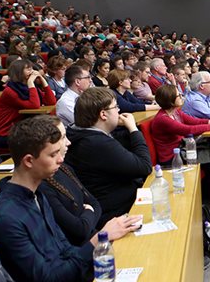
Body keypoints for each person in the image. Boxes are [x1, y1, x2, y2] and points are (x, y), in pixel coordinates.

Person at [0, 116, 98, 282]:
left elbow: (65, 250)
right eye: (53, 154)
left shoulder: (38, 194)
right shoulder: (5, 218)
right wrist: (96, 243)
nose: (61, 159)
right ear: (29, 160)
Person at [39, 117, 141, 246]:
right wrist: (88, 211)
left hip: (96, 237)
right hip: (87, 248)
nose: (68, 142)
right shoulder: (44, 187)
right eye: (63, 137)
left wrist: (87, 212)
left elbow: (95, 203)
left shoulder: (64, 169)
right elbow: (80, 230)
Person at [66, 87, 153, 227]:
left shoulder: (82, 133)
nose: (118, 111)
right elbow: (144, 166)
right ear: (103, 114)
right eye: (115, 107)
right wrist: (133, 129)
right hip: (117, 212)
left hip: (117, 201)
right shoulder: (95, 143)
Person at [150, 84, 210, 164]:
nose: (182, 96)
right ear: (170, 100)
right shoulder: (162, 119)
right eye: (179, 95)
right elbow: (188, 130)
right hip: (173, 157)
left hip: (183, 148)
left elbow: (195, 121)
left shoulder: (175, 112)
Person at [0, 58, 57, 148]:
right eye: (28, 69)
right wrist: (30, 82)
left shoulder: (30, 87)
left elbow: (51, 102)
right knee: (43, 140)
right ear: (19, 72)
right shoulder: (9, 90)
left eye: (32, 68)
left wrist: (42, 80)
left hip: (22, 129)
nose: (32, 71)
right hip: (5, 133)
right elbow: (34, 105)